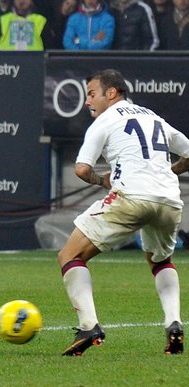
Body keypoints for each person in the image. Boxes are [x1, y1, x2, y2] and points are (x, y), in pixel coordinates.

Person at [57, 69, 189, 356]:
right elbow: (188, 152)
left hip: (130, 196)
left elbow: (81, 169)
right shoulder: (154, 117)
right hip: (169, 201)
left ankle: (89, 326)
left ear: (112, 93)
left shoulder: (103, 122)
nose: (87, 101)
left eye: (92, 93)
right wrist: (171, 169)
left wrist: (101, 180)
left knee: (70, 255)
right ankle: (174, 324)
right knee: (160, 261)